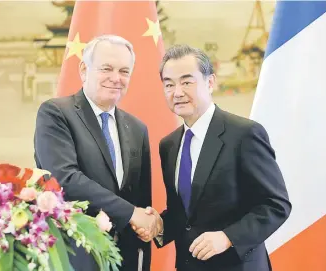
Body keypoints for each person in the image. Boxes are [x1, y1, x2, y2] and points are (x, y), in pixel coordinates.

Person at [134, 44, 292, 271]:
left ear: (210, 82)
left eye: (187, 82)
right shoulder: (168, 145)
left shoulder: (244, 134)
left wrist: (228, 237)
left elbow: (276, 205)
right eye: (169, 84)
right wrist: (157, 226)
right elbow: (185, 215)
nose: (177, 92)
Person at [34, 35, 158, 271]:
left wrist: (148, 223)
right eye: (106, 68)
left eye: (124, 71)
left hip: (127, 260)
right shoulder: (56, 114)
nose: (116, 78)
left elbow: (141, 201)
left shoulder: (137, 128)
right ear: (84, 69)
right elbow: (65, 179)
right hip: (76, 256)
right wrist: (132, 213)